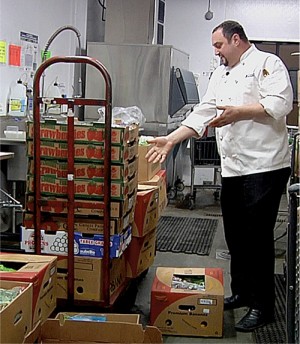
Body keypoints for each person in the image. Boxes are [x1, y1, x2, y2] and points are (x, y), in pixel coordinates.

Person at [145, 20, 293, 332]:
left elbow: (281, 104)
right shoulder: (221, 73)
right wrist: (172, 139)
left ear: (236, 39)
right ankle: (242, 292)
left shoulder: (268, 63)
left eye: (218, 45)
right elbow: (203, 111)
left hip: (264, 166)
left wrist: (240, 112)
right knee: (236, 234)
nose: (216, 52)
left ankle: (263, 306)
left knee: (258, 238)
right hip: (234, 168)